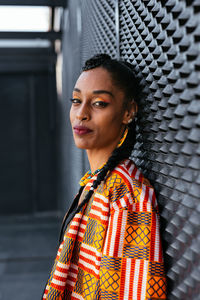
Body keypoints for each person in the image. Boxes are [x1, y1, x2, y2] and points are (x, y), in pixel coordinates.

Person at [42, 54, 167, 299]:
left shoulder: (127, 198)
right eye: (76, 100)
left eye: (99, 103)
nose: (81, 114)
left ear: (128, 112)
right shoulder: (96, 181)